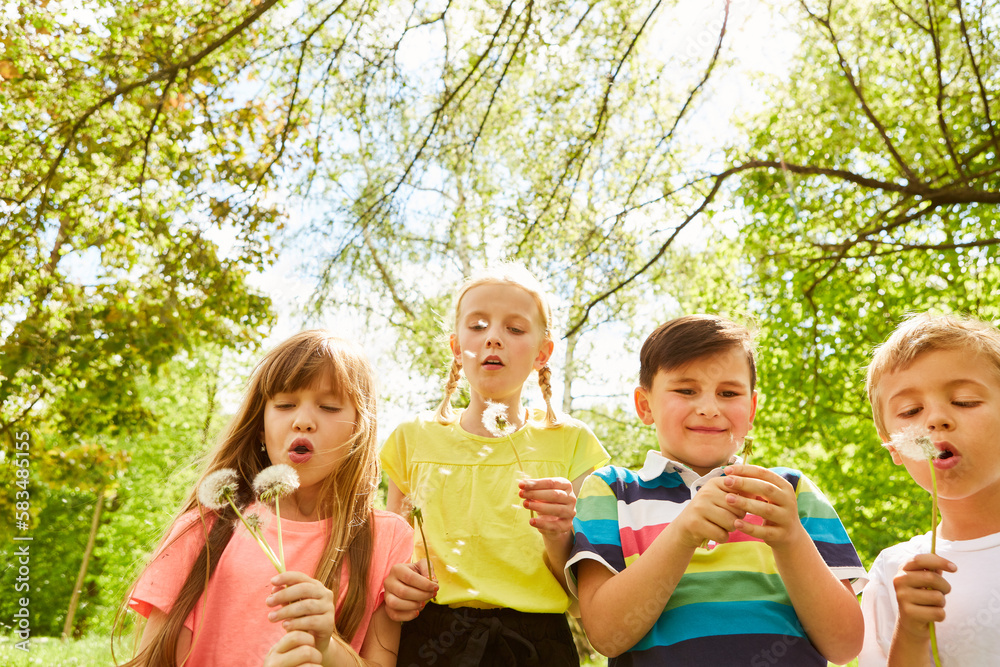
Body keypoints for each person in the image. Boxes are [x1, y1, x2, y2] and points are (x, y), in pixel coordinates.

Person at [568, 314, 866, 666]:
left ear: (752, 407)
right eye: (686, 390)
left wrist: (791, 540)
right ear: (645, 405)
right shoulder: (611, 492)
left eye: (728, 393)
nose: (709, 409)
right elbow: (607, 637)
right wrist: (681, 535)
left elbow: (845, 646)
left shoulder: (790, 493)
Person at [116, 331, 413, 667]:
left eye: (328, 406)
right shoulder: (204, 528)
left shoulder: (387, 538)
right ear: (260, 427)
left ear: (360, 426)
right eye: (285, 405)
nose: (302, 421)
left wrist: (328, 648)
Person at [380, 263, 609, 666]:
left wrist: (559, 535)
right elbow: (390, 561)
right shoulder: (411, 440)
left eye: (515, 329)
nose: (493, 339)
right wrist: (396, 584)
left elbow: (582, 597)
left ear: (543, 353)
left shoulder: (573, 444)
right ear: (455, 346)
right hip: (427, 641)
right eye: (478, 325)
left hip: (539, 647)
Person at [859, 313, 1000, 666]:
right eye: (910, 411)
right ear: (892, 446)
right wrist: (910, 633)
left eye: (965, 401)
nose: (935, 419)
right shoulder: (894, 572)